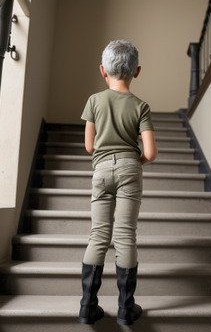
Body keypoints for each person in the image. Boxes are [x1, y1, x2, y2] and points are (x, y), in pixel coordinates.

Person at [78, 40, 158, 326]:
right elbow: (149, 152)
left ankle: (87, 307)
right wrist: (133, 162)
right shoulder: (141, 106)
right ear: (136, 71)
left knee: (98, 234)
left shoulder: (94, 101)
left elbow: (90, 146)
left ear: (103, 70)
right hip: (129, 169)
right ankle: (126, 309)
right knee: (125, 236)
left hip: (100, 170)